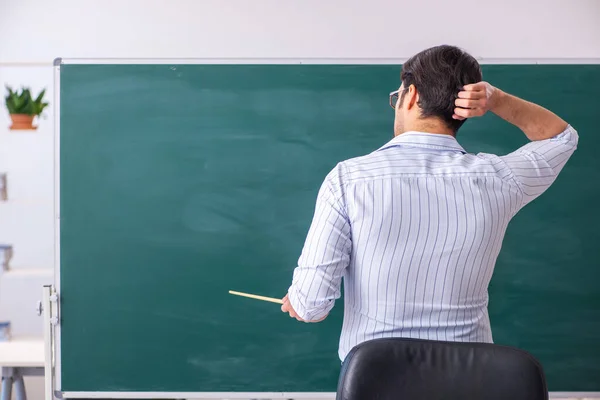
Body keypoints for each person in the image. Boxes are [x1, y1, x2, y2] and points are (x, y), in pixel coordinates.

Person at [280, 45, 579, 362]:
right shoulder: (499, 178)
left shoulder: (348, 180)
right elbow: (562, 138)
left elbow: (312, 306)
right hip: (472, 380)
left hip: (376, 380)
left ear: (410, 96)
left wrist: (298, 301)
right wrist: (497, 101)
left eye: (397, 98)